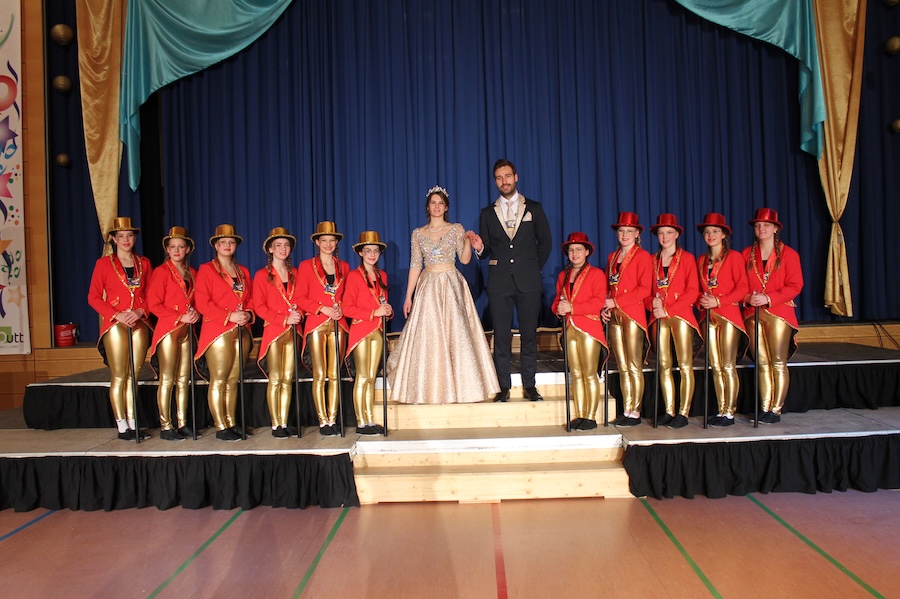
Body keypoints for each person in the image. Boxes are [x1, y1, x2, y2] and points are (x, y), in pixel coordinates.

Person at [388, 186, 499, 404]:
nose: (437, 206)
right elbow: (415, 265)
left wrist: (468, 242)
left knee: (455, 333)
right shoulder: (418, 234)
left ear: (446, 207)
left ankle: (460, 386)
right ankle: (428, 387)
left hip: (450, 283)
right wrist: (409, 296)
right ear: (428, 207)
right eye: (433, 203)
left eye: (441, 203)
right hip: (428, 285)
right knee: (429, 335)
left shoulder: (456, 229)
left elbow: (464, 259)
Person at [467, 159, 552, 402]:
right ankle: (503, 385)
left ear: (516, 177)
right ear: (495, 182)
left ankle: (529, 385)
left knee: (528, 335)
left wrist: (532, 269)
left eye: (507, 176)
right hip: (499, 282)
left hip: (528, 282)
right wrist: (479, 247)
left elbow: (546, 243)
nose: (504, 181)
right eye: (499, 178)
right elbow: (485, 251)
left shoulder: (533, 208)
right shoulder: (487, 213)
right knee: (501, 336)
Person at [87, 216, 153, 441]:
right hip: (116, 323)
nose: (126, 240)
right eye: (121, 236)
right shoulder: (103, 264)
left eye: (130, 235)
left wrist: (140, 311)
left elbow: (151, 295)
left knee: (134, 375)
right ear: (114, 240)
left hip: (139, 323)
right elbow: (94, 297)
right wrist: (117, 314)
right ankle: (122, 425)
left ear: (135, 238)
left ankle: (133, 423)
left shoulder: (144, 263)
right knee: (119, 375)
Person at [742, 208, 804, 424]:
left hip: (779, 312)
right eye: (758, 226)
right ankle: (764, 406)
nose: (761, 229)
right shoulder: (746, 254)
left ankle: (775, 409)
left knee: (777, 362)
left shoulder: (789, 254)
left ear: (776, 229)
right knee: (761, 362)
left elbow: (795, 285)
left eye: (766, 225)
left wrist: (769, 298)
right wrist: (748, 297)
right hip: (752, 314)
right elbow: (739, 284)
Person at [194, 224, 255, 441]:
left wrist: (248, 313)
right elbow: (202, 302)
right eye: (223, 242)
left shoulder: (243, 271)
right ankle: (221, 426)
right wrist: (229, 316)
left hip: (241, 330)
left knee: (233, 379)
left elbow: (251, 299)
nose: (227, 245)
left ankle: (231, 422)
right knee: (219, 379)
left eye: (231, 242)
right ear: (216, 246)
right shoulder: (207, 270)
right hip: (218, 330)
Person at [645, 214, 701, 429]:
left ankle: (683, 412)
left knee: (685, 365)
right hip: (659, 318)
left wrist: (667, 309)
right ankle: (669, 410)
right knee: (663, 365)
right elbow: (646, 291)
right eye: (661, 233)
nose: (665, 237)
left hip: (680, 316)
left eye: (669, 232)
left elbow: (692, 290)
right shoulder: (652, 259)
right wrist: (653, 305)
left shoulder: (687, 258)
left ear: (677, 234)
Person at [146, 226, 201, 440]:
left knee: (184, 379)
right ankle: (166, 425)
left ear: (187, 249)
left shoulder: (192, 273)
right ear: (167, 250)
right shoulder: (161, 272)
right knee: (167, 379)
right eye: (173, 247)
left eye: (181, 246)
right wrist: (179, 317)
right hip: (169, 330)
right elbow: (154, 305)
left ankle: (182, 422)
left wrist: (195, 313)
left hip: (187, 331)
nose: (177, 250)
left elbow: (196, 301)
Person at [297, 221, 350, 435]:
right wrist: (322, 308)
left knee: (335, 374)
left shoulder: (344, 266)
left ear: (336, 242)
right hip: (317, 323)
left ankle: (333, 419)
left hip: (338, 324)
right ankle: (322, 421)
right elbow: (300, 297)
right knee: (320, 374)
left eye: (332, 240)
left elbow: (347, 296)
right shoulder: (305, 266)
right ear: (317, 242)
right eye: (324, 240)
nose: (328, 244)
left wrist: (340, 308)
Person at [552, 232, 608, 431]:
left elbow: (598, 302)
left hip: (589, 328)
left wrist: (572, 308)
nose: (574, 254)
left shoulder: (596, 274)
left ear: (587, 252)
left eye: (578, 250)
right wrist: (558, 308)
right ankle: (580, 414)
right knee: (576, 374)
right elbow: (558, 299)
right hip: (570, 328)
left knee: (589, 373)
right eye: (571, 250)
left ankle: (590, 416)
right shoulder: (563, 275)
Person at [696, 213, 748, 427]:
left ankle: (729, 412)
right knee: (715, 366)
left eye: (715, 231)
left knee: (727, 365)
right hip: (708, 317)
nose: (711, 235)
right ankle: (720, 409)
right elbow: (698, 289)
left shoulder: (734, 257)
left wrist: (718, 301)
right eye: (707, 232)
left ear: (724, 234)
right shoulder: (701, 260)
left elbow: (742, 288)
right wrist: (702, 301)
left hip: (728, 315)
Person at [253, 227, 303, 439]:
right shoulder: (261, 275)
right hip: (274, 331)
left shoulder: (296, 274)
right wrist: (283, 319)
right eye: (278, 245)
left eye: (286, 245)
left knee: (288, 378)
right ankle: (276, 423)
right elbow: (259, 306)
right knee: (275, 378)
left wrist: (299, 314)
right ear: (270, 249)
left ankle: (284, 421)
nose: (283, 249)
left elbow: (302, 299)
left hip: (293, 331)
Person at [603, 212, 652, 426]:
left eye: (629, 231)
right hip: (615, 315)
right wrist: (605, 307)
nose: (624, 234)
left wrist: (615, 302)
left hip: (632, 314)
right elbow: (609, 286)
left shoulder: (643, 256)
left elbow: (644, 289)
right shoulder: (612, 257)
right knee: (622, 365)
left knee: (633, 365)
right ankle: (627, 408)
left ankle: (636, 411)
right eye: (621, 231)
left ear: (637, 233)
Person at [344, 231, 393, 433]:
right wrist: (374, 313)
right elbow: (347, 308)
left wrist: (387, 311)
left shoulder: (382, 276)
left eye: (375, 251)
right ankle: (361, 421)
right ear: (360, 253)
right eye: (368, 251)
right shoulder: (354, 276)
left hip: (378, 331)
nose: (372, 254)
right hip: (362, 331)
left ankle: (370, 420)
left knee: (372, 378)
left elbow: (381, 303)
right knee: (363, 377)